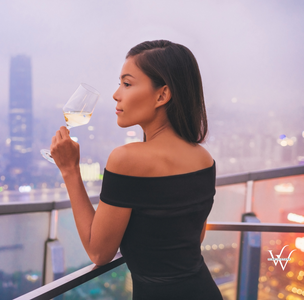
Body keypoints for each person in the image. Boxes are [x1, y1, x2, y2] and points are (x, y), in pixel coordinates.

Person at [49, 40, 223, 300]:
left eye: (127, 84)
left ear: (162, 95)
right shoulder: (204, 159)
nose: (116, 94)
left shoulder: (126, 159)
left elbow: (99, 253)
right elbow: (192, 239)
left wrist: (70, 170)